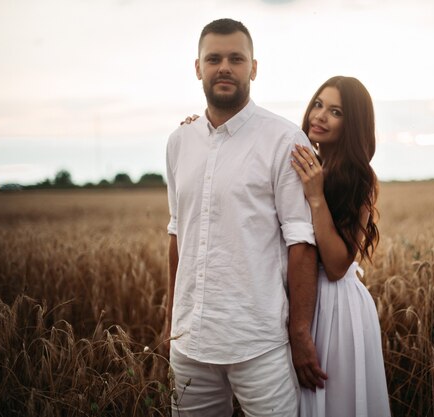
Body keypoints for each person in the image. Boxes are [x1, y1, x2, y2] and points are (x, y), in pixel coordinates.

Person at [165, 18, 325, 417]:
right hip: (189, 343)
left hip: (259, 343)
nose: (224, 67)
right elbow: (176, 234)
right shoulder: (179, 142)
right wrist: (172, 322)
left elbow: (301, 241)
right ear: (197, 67)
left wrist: (300, 332)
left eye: (236, 58)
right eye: (214, 58)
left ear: (253, 68)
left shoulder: (285, 140)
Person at [291, 76, 391, 416]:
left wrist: (317, 197)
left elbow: (336, 266)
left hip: (334, 307)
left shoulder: (359, 177)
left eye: (335, 111)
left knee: (334, 403)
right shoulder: (303, 162)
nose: (320, 116)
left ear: (354, 124)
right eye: (318, 104)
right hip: (299, 299)